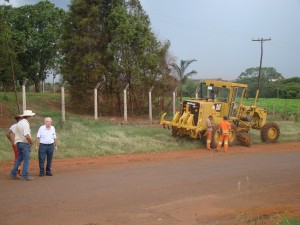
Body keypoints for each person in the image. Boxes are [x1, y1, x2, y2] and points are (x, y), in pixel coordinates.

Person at [10, 110, 35, 181]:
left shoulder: (19, 123)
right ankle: (25, 175)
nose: (32, 117)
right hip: (24, 143)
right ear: (29, 116)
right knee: (26, 159)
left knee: (19, 158)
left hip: (18, 143)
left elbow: (13, 133)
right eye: (31, 116)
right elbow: (26, 135)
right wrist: (31, 142)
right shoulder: (25, 124)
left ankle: (13, 173)